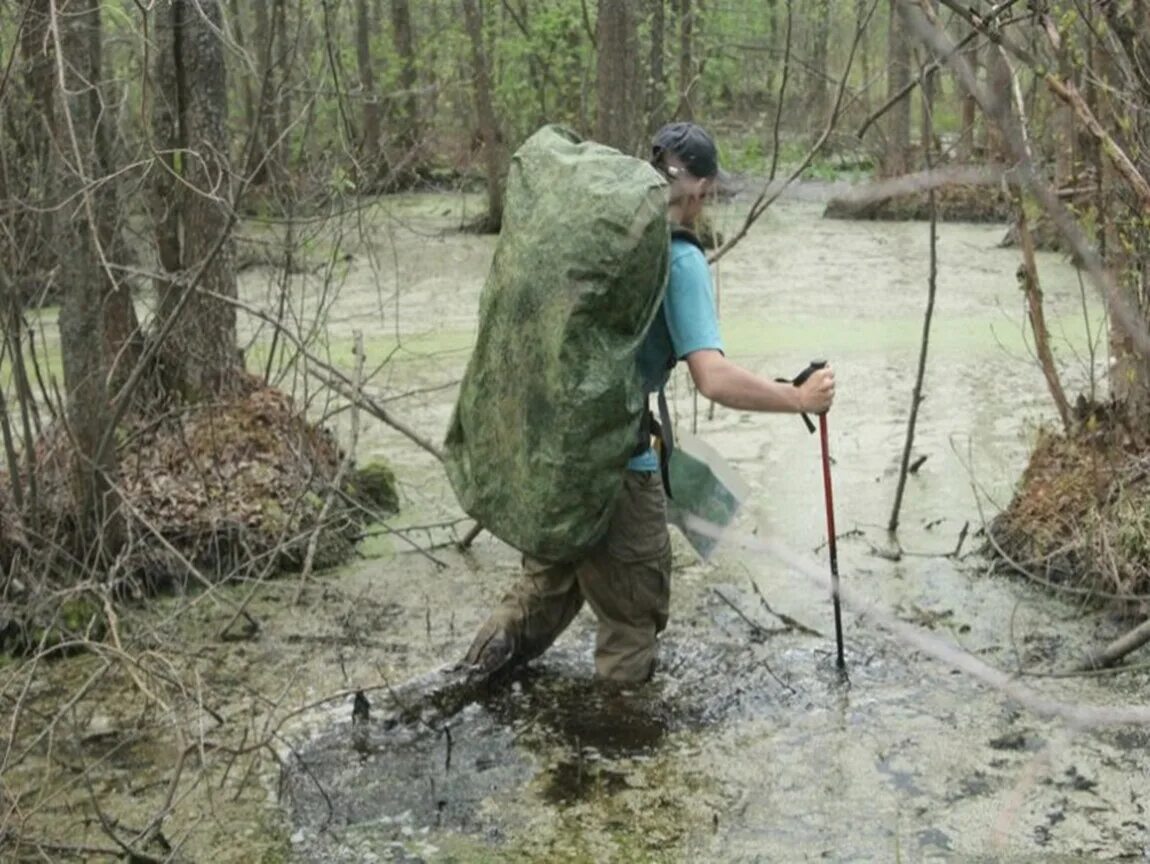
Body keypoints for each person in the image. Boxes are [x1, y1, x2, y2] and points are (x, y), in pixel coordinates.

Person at [462, 121, 836, 685]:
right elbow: (711, 378)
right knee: (632, 622)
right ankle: (618, 756)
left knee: (541, 594)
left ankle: (453, 690)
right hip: (618, 467)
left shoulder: (597, 238)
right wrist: (798, 398)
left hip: (559, 458)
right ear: (704, 190)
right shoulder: (678, 260)